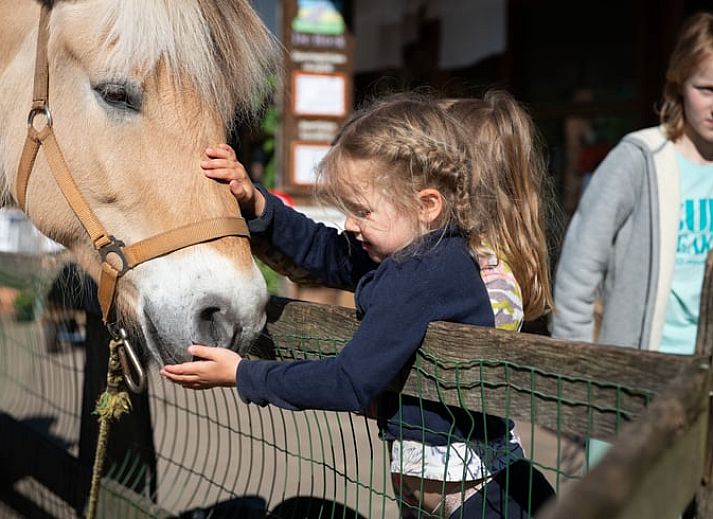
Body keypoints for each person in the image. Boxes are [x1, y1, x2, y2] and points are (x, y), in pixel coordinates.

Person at [161, 95, 554, 518]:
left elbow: (350, 380)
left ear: (428, 203)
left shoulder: (423, 272)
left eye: (362, 211)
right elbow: (329, 252)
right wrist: (258, 205)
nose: (349, 223)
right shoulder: (420, 255)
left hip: (480, 497)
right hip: (465, 488)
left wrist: (243, 373)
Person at [552, 12, 713, 355]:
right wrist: (576, 367)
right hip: (639, 376)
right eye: (706, 89)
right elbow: (578, 272)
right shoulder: (640, 159)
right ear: (680, 84)